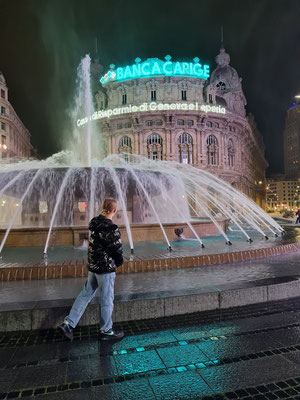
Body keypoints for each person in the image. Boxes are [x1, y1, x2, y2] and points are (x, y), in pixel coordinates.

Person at [59, 198, 124, 341]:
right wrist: (119, 261)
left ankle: (68, 324)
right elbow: (116, 249)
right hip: (105, 269)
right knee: (107, 299)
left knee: (85, 295)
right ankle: (106, 330)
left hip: (93, 268)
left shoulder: (95, 223)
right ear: (114, 210)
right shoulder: (110, 228)